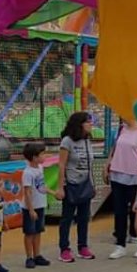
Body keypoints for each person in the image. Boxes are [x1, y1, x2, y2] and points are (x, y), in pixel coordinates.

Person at [55, 112, 96, 263]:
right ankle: (64, 248)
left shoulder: (87, 141)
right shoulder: (67, 141)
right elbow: (62, 164)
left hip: (86, 184)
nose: (91, 125)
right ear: (80, 124)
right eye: (88, 122)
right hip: (71, 184)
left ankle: (83, 246)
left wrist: (93, 184)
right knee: (67, 218)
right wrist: (60, 187)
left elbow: (90, 165)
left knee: (84, 217)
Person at [105, 120, 137, 260]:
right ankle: (120, 245)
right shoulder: (121, 129)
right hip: (117, 174)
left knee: (136, 211)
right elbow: (114, 148)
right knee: (119, 211)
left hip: (136, 175)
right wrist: (107, 165)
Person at [19, 142, 50, 269]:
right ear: (34, 157)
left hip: (40, 205)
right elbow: (27, 192)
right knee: (29, 232)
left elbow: (41, 186)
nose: (44, 156)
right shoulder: (28, 173)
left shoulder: (40, 169)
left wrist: (53, 193)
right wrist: (31, 210)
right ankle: (29, 257)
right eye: (42, 154)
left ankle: (37, 255)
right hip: (30, 208)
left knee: (38, 231)